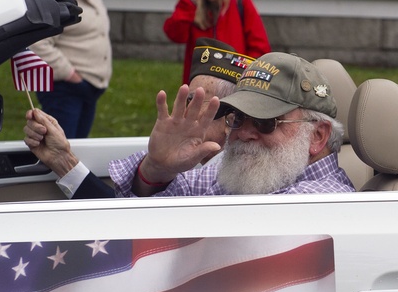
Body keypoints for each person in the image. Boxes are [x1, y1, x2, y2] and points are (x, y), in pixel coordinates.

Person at [24, 39, 254, 199]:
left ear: (231, 117)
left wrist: (65, 162)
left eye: (192, 101)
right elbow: (128, 216)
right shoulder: (185, 159)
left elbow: (129, 225)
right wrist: (63, 160)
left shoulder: (240, 177)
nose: (180, 111)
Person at [109, 51, 354, 197]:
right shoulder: (255, 174)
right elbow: (180, 197)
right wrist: (158, 169)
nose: (245, 132)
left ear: (317, 136)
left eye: (265, 122)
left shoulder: (319, 199)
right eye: (238, 118)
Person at [29, 0, 113, 138]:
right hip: (65, 91)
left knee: (77, 152)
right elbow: (38, 43)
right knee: (60, 153)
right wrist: (70, 75)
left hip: (88, 89)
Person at [164, 0, 272, 84]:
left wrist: (245, 76)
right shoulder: (191, 8)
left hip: (234, 84)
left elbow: (260, 48)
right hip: (199, 86)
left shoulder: (241, 3)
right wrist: (192, 0)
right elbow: (175, 34)